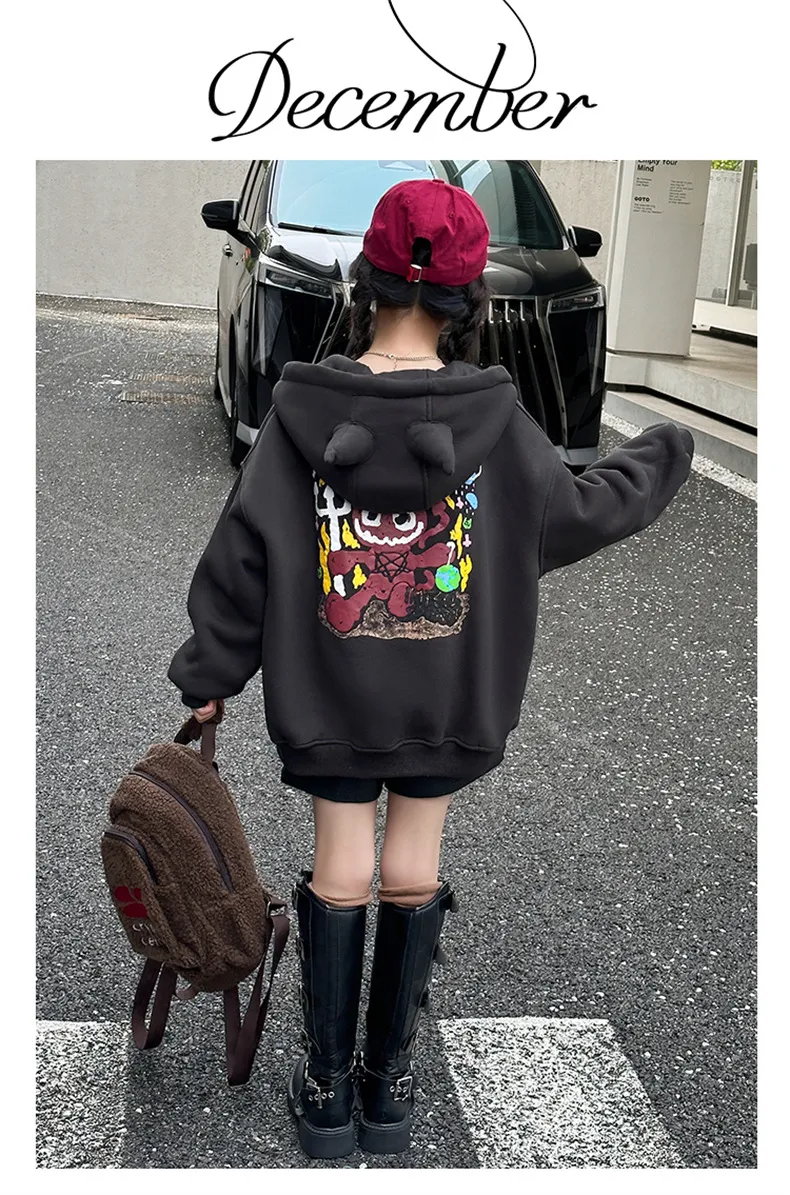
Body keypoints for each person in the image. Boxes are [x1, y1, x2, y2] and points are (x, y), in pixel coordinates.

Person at [168, 177, 695, 1160]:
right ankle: (388, 1090)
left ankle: (326, 1094)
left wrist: (210, 674)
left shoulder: (299, 416)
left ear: (365, 281)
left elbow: (242, 556)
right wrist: (663, 450)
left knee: (342, 864)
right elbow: (580, 510)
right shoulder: (496, 423)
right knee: (413, 864)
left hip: (327, 699)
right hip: (449, 698)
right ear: (466, 298)